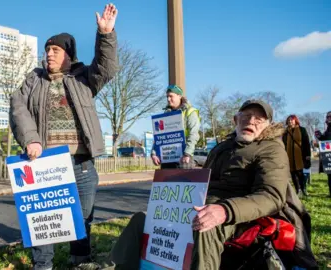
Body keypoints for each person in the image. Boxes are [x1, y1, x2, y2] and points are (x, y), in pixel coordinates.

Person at [104, 100, 317, 270]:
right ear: (236, 119)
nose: (251, 121)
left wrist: (225, 210)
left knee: (205, 225)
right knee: (142, 221)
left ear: (268, 125)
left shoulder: (271, 149)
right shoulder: (223, 146)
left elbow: (271, 196)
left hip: (242, 213)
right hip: (201, 204)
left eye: (259, 119)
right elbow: (209, 177)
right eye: (246, 116)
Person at [9, 4, 118, 270]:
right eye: (47, 50)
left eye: (55, 50)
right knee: (43, 219)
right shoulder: (33, 80)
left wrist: (105, 35)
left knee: (82, 219)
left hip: (82, 165)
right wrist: (31, 139)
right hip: (45, 163)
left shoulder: (84, 78)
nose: (48, 54)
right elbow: (17, 107)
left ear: (68, 55)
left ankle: (79, 261)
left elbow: (108, 67)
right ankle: (43, 265)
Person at [151, 85, 200, 169]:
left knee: (183, 181)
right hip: (167, 158)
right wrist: (154, 154)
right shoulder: (165, 114)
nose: (168, 99)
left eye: (171, 96)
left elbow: (193, 134)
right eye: (167, 96)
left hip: (184, 158)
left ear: (179, 96)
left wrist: (187, 153)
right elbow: (158, 137)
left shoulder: (190, 112)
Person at [283, 114, 311, 197]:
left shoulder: (302, 130)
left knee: (300, 173)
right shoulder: (285, 132)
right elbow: (284, 144)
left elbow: (306, 143)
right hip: (289, 156)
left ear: (295, 120)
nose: (289, 121)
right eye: (288, 120)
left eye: (291, 119)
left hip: (300, 155)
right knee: (293, 173)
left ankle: (303, 189)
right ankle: (298, 190)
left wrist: (308, 155)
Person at [315, 111, 331, 197]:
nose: (328, 118)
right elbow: (325, 140)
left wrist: (322, 137)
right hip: (329, 156)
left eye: (330, 117)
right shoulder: (328, 128)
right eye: (327, 117)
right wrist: (319, 135)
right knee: (330, 176)